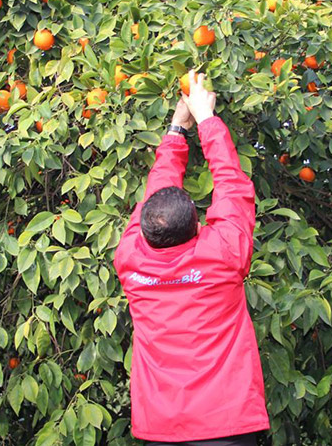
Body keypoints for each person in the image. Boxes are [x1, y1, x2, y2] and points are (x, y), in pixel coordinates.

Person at [113, 72, 269, 446]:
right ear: (199, 226)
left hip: (161, 427)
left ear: (144, 226)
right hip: (228, 423)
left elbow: (158, 191)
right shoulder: (222, 254)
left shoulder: (130, 258)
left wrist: (175, 130)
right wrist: (205, 119)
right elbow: (231, 184)